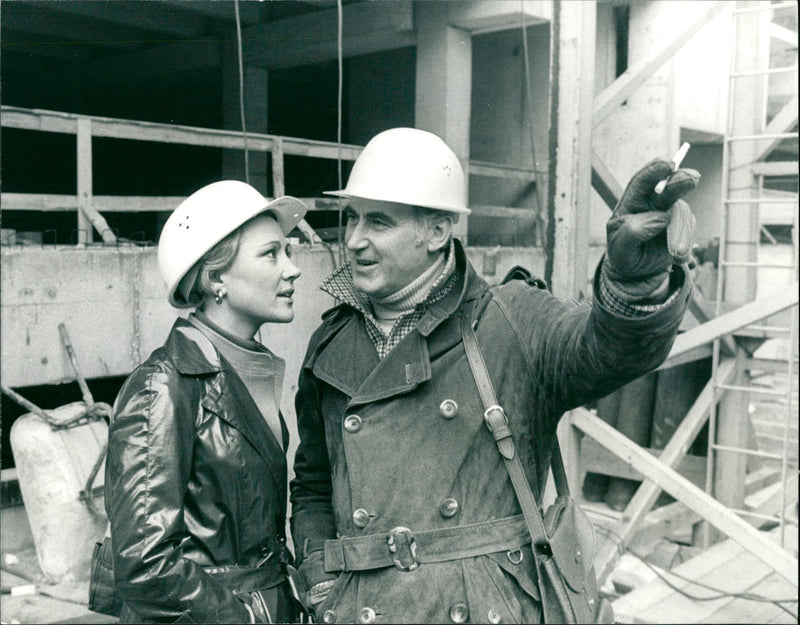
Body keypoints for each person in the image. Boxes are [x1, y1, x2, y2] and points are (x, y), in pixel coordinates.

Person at [289, 128, 698, 624]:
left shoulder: (512, 319)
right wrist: (319, 574)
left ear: (437, 232)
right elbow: (312, 481)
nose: (353, 240)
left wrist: (632, 283)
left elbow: (608, 350)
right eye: (350, 217)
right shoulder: (331, 343)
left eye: (378, 221)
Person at [105, 181, 307, 623]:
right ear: (216, 278)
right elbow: (144, 564)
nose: (292, 269)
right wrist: (244, 617)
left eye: (288, 252)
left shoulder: (245, 368)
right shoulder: (163, 386)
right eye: (271, 254)